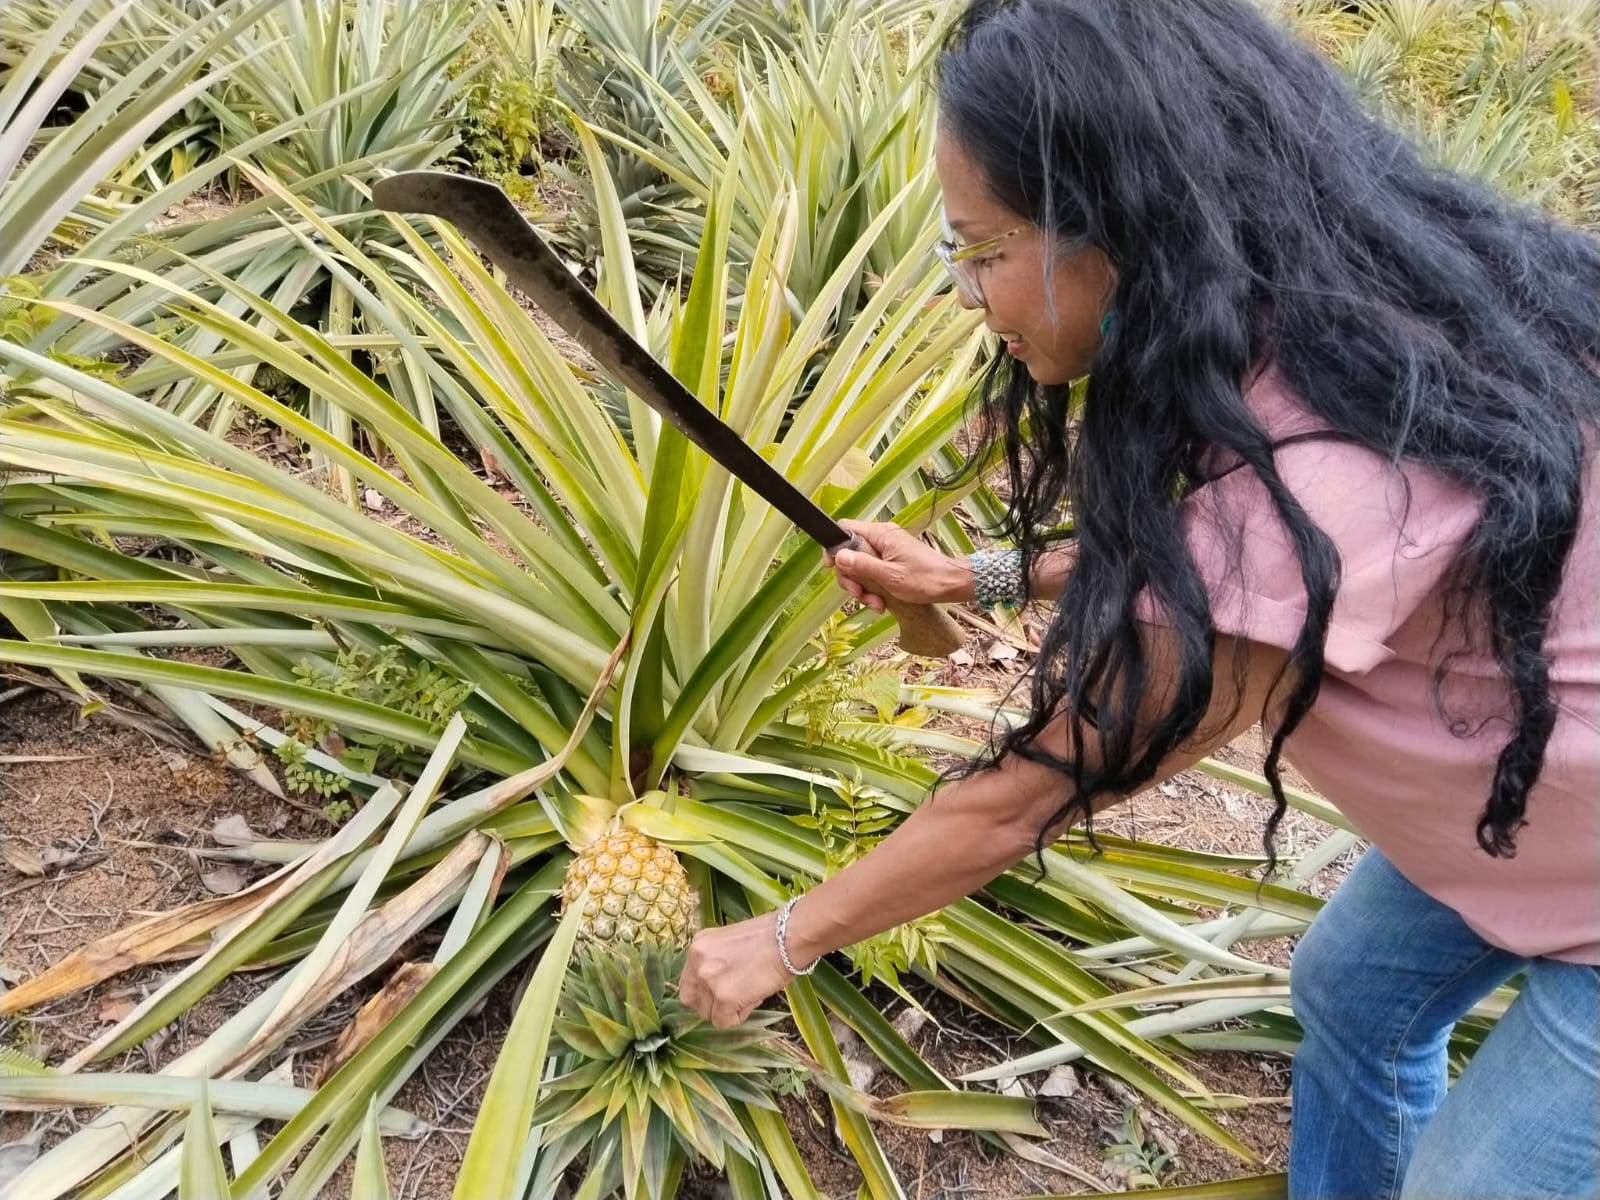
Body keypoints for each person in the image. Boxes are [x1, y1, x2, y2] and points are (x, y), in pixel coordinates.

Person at [675, 2, 1600, 1196]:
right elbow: (1217, 565)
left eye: (983, 252)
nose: (966, 293)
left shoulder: (1336, 463)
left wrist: (782, 937)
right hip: (1535, 811)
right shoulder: (1321, 327)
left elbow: (1029, 795)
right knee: (1353, 995)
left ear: (1122, 224)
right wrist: (971, 577)